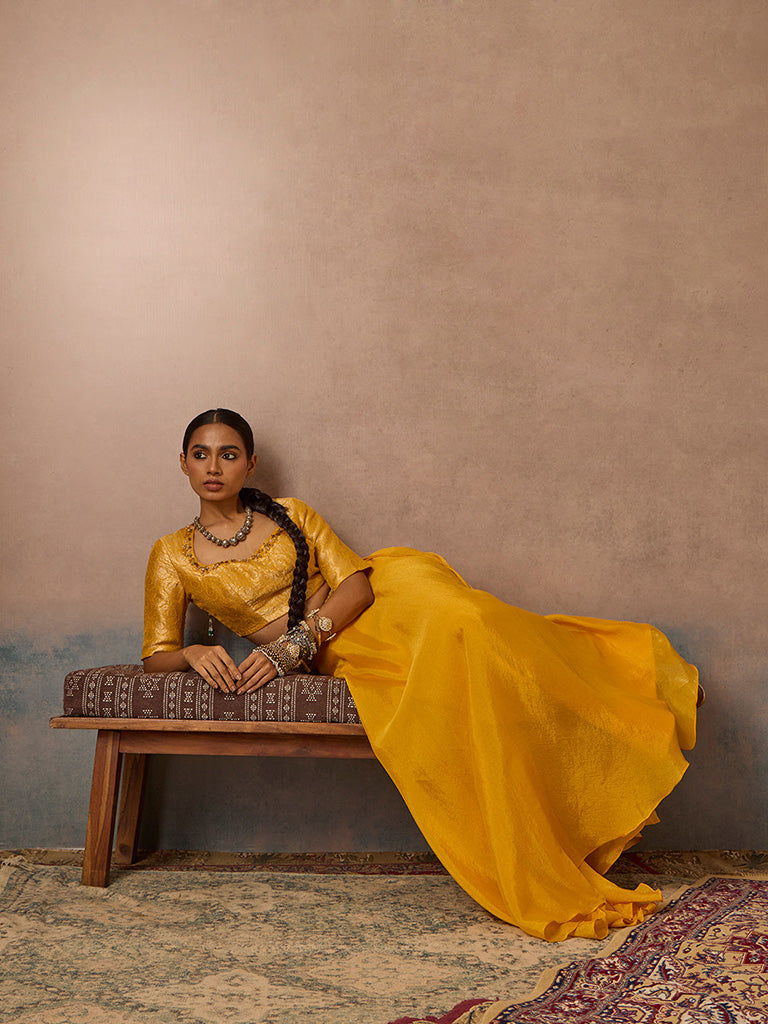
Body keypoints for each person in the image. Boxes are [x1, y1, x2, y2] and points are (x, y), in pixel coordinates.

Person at [142, 408, 700, 942]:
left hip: (387, 601)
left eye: (228, 454)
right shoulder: (171, 555)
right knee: (471, 655)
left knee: (473, 620)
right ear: (183, 463)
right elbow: (156, 654)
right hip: (353, 649)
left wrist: (292, 648)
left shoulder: (293, 513)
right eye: (201, 454)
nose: (214, 467)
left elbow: (356, 587)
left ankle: (631, 682)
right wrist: (191, 654)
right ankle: (607, 741)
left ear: (250, 463)